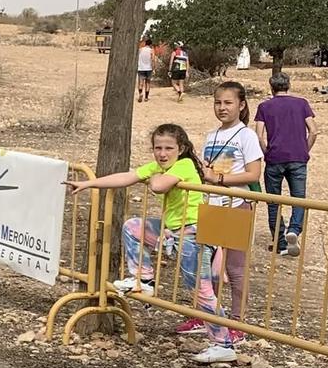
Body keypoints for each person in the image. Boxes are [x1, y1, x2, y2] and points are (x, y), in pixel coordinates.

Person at [68, 124, 222, 329]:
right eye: (158, 148)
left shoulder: (184, 165)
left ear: (181, 148)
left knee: (200, 291)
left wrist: (154, 177)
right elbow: (126, 177)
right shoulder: (158, 167)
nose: (162, 154)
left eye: (168, 148)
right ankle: (144, 280)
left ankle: (224, 343)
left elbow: (158, 186)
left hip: (194, 234)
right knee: (133, 227)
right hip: (173, 231)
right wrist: (89, 184)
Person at [186, 80, 264, 364]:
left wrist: (219, 180)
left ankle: (237, 322)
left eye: (228, 102)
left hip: (235, 205)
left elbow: (254, 174)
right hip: (212, 205)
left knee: (235, 267)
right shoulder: (211, 136)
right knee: (207, 267)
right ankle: (207, 317)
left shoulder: (246, 136)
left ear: (241, 105)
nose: (222, 107)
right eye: (218, 102)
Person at [253, 69, 316, 256]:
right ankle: (294, 230)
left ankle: (280, 243)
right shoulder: (302, 104)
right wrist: (305, 149)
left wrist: (266, 151)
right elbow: (313, 130)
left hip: (275, 159)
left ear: (271, 88)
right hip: (298, 157)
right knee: (298, 198)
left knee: (274, 201)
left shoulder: (264, 107)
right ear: (289, 85)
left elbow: (259, 134)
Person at [136, 37, 154, 102]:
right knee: (148, 83)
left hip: (141, 68)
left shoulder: (140, 50)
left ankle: (140, 93)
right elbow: (152, 59)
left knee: (141, 83)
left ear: (145, 43)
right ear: (150, 44)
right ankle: (146, 97)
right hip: (149, 68)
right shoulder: (151, 50)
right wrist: (153, 68)